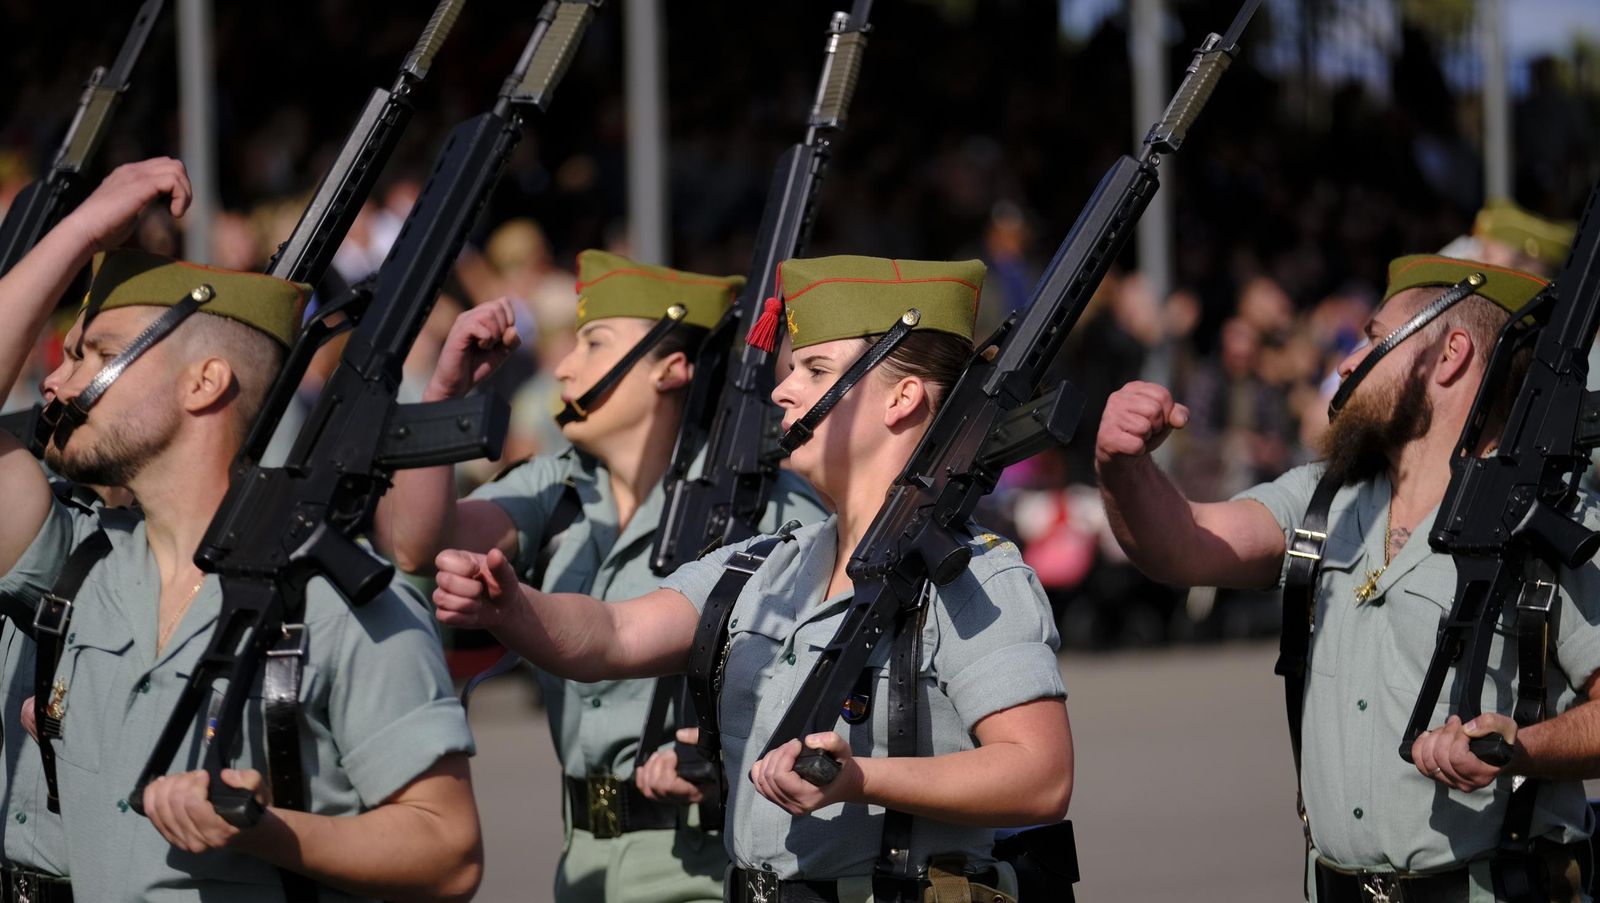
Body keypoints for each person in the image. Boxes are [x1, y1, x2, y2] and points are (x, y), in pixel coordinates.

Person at [429, 255, 1073, 902]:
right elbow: (613, 635)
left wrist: (863, 779)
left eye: (815, 370)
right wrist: (511, 607)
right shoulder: (765, 564)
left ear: (901, 398)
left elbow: (1039, 775)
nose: (783, 390)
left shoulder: (972, 574)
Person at [0, 157, 482, 902]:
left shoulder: (333, 599)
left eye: (99, 355)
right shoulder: (77, 566)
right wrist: (83, 229)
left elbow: (448, 852)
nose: (58, 384)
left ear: (205, 381)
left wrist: (264, 830)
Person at [1097, 254, 1599, 901]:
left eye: (1372, 338)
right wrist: (1122, 467)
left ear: (1449, 355)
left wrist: (1523, 747)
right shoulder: (1323, 497)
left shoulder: (1550, 520)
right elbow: (1184, 545)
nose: (1345, 363)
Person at [378, 249, 828, 903]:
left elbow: (819, 684)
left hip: (707, 863)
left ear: (670, 368)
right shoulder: (558, 488)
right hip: (583, 857)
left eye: (595, 343)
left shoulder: (766, 509)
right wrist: (442, 398)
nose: (565, 366)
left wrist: (727, 751)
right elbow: (418, 546)